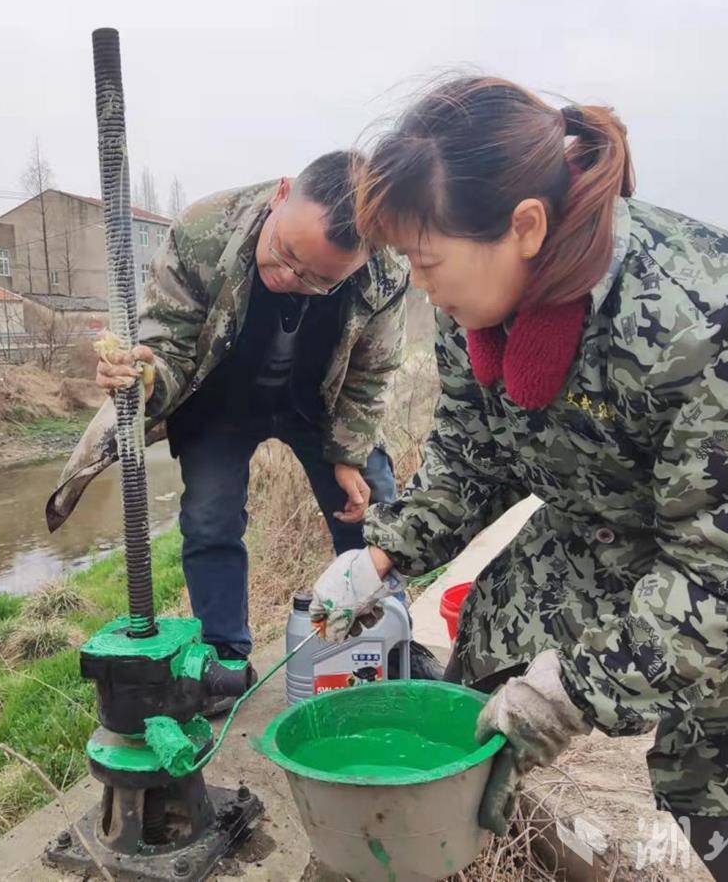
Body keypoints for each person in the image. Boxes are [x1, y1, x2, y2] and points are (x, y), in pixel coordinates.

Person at [310, 76, 728, 881]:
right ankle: (489, 844)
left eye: (426, 261)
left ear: (525, 227)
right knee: (495, 632)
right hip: (642, 499)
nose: (420, 285)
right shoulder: (477, 313)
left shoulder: (697, 317)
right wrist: (381, 556)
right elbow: (472, 457)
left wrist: (576, 688)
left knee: (715, 773)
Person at [46, 151, 441, 708]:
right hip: (220, 397)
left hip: (318, 399)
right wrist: (142, 376)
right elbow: (171, 349)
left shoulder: (384, 272)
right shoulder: (203, 231)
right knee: (209, 519)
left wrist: (349, 453)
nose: (289, 280)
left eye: (317, 280)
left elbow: (373, 370)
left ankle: (387, 633)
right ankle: (225, 661)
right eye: (284, 256)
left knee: (370, 503)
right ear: (281, 195)